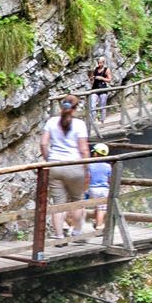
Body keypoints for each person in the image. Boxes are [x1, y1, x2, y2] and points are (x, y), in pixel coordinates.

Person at [39, 95, 90, 242]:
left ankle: (59, 236)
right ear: (75, 108)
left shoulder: (51, 122)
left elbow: (43, 143)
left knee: (58, 203)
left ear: (62, 106)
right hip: (74, 166)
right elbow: (84, 149)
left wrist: (49, 159)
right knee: (77, 201)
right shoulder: (80, 124)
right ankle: (77, 233)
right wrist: (86, 168)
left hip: (54, 165)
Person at [86, 142, 113, 236]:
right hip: (104, 189)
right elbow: (110, 179)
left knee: (97, 207)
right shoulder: (108, 166)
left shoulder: (90, 165)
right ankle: (99, 226)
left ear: (96, 154)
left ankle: (96, 222)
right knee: (101, 208)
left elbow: (88, 177)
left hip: (92, 188)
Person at [90, 57, 113, 123]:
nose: (99, 64)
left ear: (103, 62)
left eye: (100, 63)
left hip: (103, 89)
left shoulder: (106, 69)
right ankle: (93, 119)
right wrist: (92, 79)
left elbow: (109, 80)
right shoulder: (96, 69)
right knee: (92, 104)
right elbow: (93, 79)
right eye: (98, 63)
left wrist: (102, 78)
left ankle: (102, 120)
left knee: (102, 105)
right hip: (95, 88)